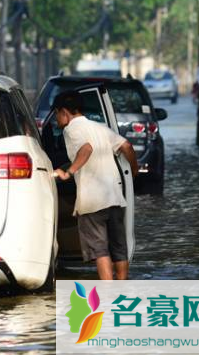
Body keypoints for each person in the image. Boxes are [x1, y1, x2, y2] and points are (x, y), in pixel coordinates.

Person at [52, 90, 139, 280]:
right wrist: (133, 171)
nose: (57, 120)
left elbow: (86, 148)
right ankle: (121, 288)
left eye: (57, 114)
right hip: (114, 197)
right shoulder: (100, 127)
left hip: (92, 200)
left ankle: (107, 294)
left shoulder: (71, 129)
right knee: (118, 248)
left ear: (64, 112)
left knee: (100, 251)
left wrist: (68, 172)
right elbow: (127, 147)